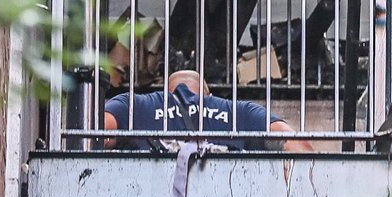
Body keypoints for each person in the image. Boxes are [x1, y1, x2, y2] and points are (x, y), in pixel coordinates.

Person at [103, 69, 313, 152]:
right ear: (208, 95)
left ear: (165, 94)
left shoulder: (137, 105)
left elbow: (96, 136)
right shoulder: (238, 111)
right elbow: (299, 146)